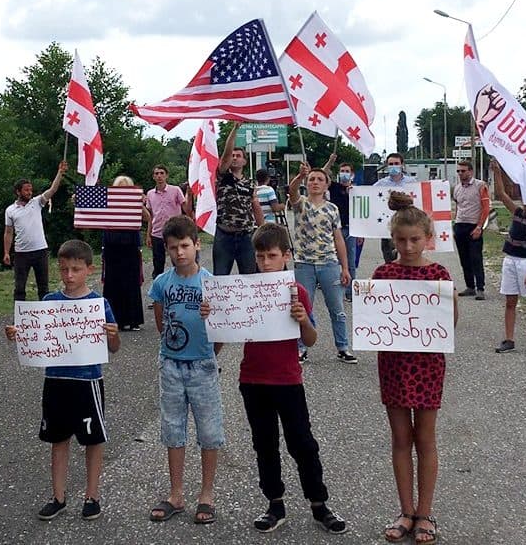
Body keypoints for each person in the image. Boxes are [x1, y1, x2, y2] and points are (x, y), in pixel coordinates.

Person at [204, 223, 348, 534]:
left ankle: (319, 503)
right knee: (264, 445)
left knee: (303, 444)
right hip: (253, 380)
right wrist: (213, 317)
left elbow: (310, 340)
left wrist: (301, 320)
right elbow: (220, 339)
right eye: (260, 256)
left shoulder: (298, 292)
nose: (266, 262)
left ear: (286, 256)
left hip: (287, 379)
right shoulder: (245, 290)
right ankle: (274, 503)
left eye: (272, 256)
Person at [5, 240, 122, 521]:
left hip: (87, 381)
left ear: (89, 270)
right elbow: (36, 338)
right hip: (56, 379)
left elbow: (114, 347)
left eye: (76, 269)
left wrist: (113, 334)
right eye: (64, 269)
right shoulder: (49, 303)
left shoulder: (98, 304)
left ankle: (92, 496)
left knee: (93, 440)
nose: (69, 275)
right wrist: (19, 335)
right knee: (58, 439)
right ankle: (58, 496)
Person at [372, 192, 458, 545]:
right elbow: (372, 320)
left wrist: (445, 304)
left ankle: (425, 513)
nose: (408, 247)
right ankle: (405, 511)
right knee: (400, 438)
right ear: (393, 239)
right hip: (393, 364)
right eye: (401, 240)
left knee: (425, 438)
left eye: (415, 240)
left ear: (428, 238)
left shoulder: (438, 273)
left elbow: (450, 322)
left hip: (426, 365)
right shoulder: (382, 273)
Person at [147, 215, 223, 525]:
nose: (180, 253)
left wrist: (209, 350)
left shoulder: (210, 283)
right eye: (173, 247)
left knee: (209, 430)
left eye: (185, 246)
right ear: (166, 249)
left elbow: (221, 332)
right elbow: (160, 323)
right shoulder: (161, 283)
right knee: (173, 428)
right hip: (171, 364)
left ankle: (206, 494)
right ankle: (176, 493)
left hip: (203, 364)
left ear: (197, 245)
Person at [288, 163, 356, 364]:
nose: (315, 182)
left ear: (327, 185)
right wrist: (299, 176)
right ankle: (301, 347)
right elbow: (292, 191)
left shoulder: (332, 209)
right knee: (303, 309)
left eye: (320, 179)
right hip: (304, 264)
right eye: (312, 180)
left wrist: (344, 267)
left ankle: (343, 346)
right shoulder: (300, 203)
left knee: (337, 308)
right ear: (307, 184)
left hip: (329, 263)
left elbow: (338, 239)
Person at [490, 160, 526, 356]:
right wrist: (497, 172)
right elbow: (502, 194)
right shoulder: (517, 213)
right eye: (525, 198)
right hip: (510, 260)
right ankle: (509, 339)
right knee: (510, 301)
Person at [3, 161, 68, 301]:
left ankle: (44, 315)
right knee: (20, 287)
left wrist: (60, 173)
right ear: (18, 191)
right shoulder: (10, 210)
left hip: (40, 250)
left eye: (30, 190)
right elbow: (8, 232)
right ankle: (19, 315)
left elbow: (52, 190)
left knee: (43, 286)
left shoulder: (37, 202)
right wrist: (6, 252)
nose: (29, 192)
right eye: (26, 190)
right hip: (21, 253)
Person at [214, 122, 264, 275]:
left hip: (246, 237)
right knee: (220, 278)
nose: (234, 158)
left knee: (250, 278)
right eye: (233, 156)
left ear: (245, 161)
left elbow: (255, 207)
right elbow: (226, 155)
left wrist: (263, 230)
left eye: (238, 156)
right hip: (224, 235)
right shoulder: (223, 176)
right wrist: (235, 129)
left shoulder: (250, 183)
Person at [103, 175, 148, 330]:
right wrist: (79, 200)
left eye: (126, 187)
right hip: (111, 247)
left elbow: (148, 217)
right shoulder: (107, 201)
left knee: (131, 283)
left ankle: (133, 320)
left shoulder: (134, 202)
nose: (122, 190)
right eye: (119, 187)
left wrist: (139, 204)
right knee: (112, 283)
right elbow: (90, 210)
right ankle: (115, 320)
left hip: (130, 247)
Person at [323, 153, 363, 301]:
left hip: (350, 229)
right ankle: (334, 288)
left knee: (350, 261)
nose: (344, 174)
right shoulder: (334, 187)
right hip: (334, 228)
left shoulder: (356, 191)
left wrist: (361, 233)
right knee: (333, 260)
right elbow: (322, 174)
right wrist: (330, 161)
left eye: (347, 171)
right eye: (342, 171)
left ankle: (350, 292)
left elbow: (361, 213)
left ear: (352, 174)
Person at [452, 160, 491, 300]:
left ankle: (480, 288)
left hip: (474, 226)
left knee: (476, 258)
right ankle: (470, 286)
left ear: (471, 171)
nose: (460, 173)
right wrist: (454, 223)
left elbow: (486, 208)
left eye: (463, 171)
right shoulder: (457, 188)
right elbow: (458, 206)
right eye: (458, 171)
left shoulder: (480, 186)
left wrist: (479, 227)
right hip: (460, 225)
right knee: (464, 258)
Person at [145, 164, 188, 281]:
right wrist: (148, 235)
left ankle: (181, 283)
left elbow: (185, 208)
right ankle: (158, 288)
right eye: (156, 174)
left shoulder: (175, 190)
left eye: (162, 173)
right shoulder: (150, 194)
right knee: (158, 263)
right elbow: (150, 216)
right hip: (157, 232)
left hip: (175, 232)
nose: (159, 176)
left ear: (166, 175)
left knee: (178, 260)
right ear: (153, 177)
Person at [373, 152, 412, 263]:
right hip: (387, 227)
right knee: (389, 260)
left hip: (407, 224)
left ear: (402, 164)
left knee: (408, 257)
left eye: (396, 163)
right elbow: (367, 195)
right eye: (391, 164)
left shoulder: (412, 182)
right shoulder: (380, 184)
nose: (394, 166)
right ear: (386, 166)